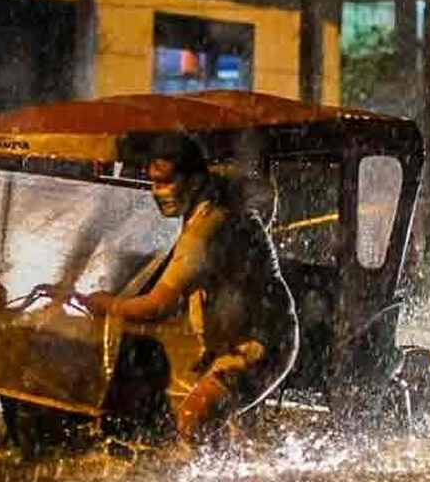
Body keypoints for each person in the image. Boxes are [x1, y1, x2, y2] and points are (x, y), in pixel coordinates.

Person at [78, 135, 299, 446]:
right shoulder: (209, 199)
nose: (159, 192)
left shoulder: (207, 231)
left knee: (191, 424)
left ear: (194, 181)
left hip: (258, 347)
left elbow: (157, 306)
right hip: (230, 341)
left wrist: (102, 304)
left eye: (168, 182)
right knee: (221, 439)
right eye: (154, 182)